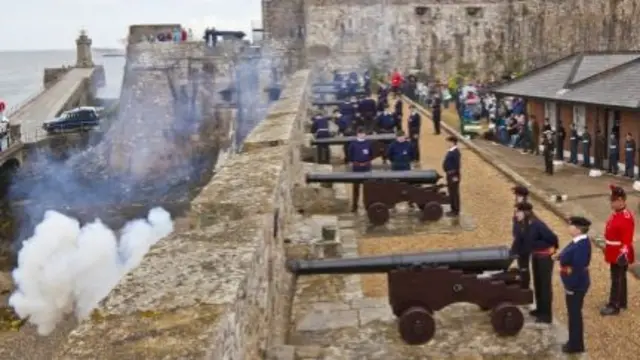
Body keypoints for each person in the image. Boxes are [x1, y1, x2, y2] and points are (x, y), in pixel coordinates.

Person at [511, 202, 558, 323]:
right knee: (537, 283)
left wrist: (545, 247)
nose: (516, 214)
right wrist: (512, 253)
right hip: (536, 256)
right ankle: (540, 309)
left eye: (518, 212)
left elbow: (553, 238)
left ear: (526, 212)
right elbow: (520, 240)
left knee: (545, 285)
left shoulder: (537, 224)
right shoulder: (523, 224)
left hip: (545, 257)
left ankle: (547, 315)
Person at [555, 216, 592, 354]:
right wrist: (560, 256)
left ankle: (575, 345)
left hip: (576, 285)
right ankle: (574, 341)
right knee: (573, 314)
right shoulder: (578, 241)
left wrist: (570, 287)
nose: (568, 227)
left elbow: (577, 267)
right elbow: (568, 254)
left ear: (577, 229)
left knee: (574, 315)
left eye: (571, 226)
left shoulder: (581, 246)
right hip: (575, 283)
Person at [600, 185, 635, 316]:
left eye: (613, 200)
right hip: (613, 249)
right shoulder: (617, 213)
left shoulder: (625, 217)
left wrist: (623, 254)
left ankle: (614, 305)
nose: (611, 202)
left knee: (617, 278)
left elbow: (627, 239)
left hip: (619, 252)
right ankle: (621, 301)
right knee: (620, 277)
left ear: (621, 201)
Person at [347, 128, 373, 213]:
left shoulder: (368, 143)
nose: (362, 135)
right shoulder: (353, 144)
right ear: (357, 134)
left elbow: (371, 154)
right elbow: (350, 154)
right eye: (361, 133)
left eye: (364, 133)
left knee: (368, 187)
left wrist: (367, 162)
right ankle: (355, 206)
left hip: (366, 167)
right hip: (357, 167)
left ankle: (368, 205)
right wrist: (353, 162)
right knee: (356, 187)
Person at [442, 136, 461, 217]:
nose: (447, 144)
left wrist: (455, 175)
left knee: (454, 193)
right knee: (451, 192)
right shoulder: (451, 151)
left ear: (452, 142)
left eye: (448, 142)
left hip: (453, 175)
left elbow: (457, 165)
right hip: (450, 174)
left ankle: (456, 210)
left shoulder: (455, 152)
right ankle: (452, 209)